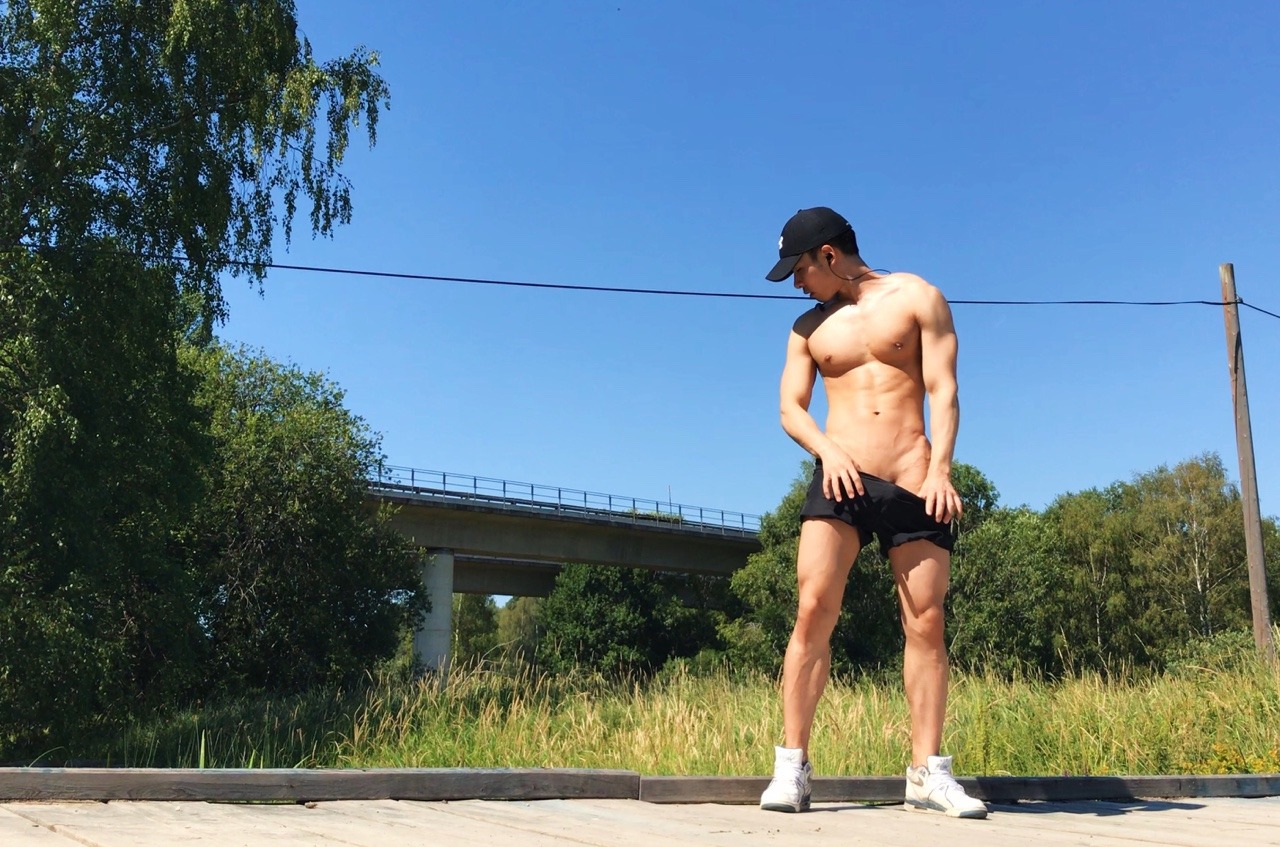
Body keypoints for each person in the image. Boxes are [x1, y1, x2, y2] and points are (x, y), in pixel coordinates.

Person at [757, 207, 987, 819]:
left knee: (927, 623)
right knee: (813, 609)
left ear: (829, 255)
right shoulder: (807, 327)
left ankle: (927, 774)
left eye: (800, 269)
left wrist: (942, 470)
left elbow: (944, 388)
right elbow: (790, 408)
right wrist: (828, 451)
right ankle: (792, 769)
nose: (796, 282)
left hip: (915, 478)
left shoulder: (918, 297)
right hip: (842, 477)